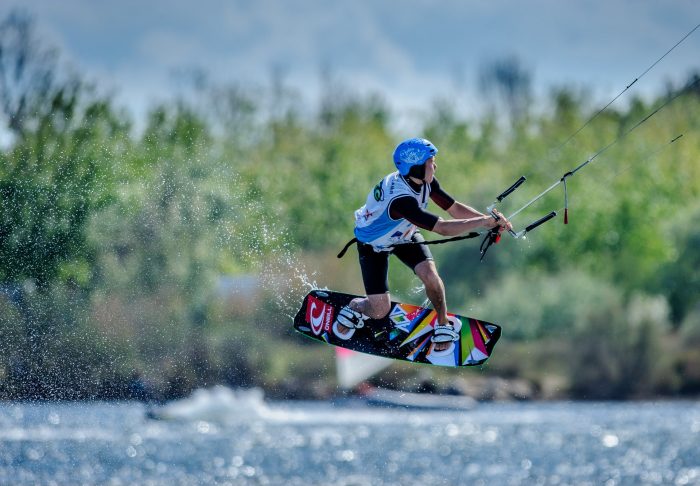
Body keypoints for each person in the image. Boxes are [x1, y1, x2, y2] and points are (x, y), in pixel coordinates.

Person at [333, 137, 512, 352]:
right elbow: (443, 228)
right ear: (416, 167)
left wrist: (489, 222)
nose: (435, 166)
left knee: (431, 276)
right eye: (431, 162)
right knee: (380, 310)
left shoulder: (424, 182)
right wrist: (484, 221)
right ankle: (356, 307)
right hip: (373, 245)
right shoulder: (401, 200)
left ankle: (443, 324)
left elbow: (454, 208)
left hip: (404, 234)